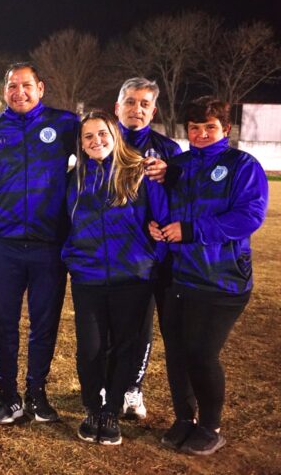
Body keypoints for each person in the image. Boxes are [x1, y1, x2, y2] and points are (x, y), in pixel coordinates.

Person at [151, 97, 267, 455]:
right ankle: (184, 418)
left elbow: (249, 217)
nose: (201, 134)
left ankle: (210, 426)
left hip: (221, 279)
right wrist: (155, 226)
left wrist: (190, 231)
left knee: (201, 353)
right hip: (177, 277)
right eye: (194, 128)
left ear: (225, 129)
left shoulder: (242, 165)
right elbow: (162, 207)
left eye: (210, 127)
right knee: (177, 353)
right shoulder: (177, 165)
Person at [0, 63, 79, 425]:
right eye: (12, 86)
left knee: (44, 324)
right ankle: (7, 395)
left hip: (49, 245)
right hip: (4, 246)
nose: (19, 92)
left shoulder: (65, 124)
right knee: (4, 324)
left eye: (26, 85)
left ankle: (37, 393)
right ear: (5, 90)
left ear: (41, 88)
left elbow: (100, 155)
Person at [62, 111, 168, 445]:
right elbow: (65, 223)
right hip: (88, 279)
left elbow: (162, 220)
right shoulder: (75, 178)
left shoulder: (140, 172)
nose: (96, 141)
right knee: (90, 349)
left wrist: (150, 259)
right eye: (88, 136)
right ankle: (92, 408)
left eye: (103, 133)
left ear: (115, 135)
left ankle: (111, 412)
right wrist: (73, 257)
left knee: (125, 347)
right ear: (81, 144)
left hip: (132, 278)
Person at [114, 77, 182, 420]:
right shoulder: (102, 141)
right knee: (108, 326)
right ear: (117, 107)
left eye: (144, 104)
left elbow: (184, 200)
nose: (136, 109)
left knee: (141, 327)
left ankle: (132, 388)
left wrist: (171, 177)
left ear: (153, 111)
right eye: (130, 101)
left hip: (151, 257)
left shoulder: (169, 150)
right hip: (109, 255)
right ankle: (106, 385)